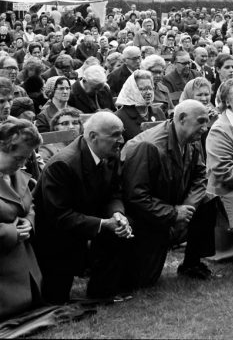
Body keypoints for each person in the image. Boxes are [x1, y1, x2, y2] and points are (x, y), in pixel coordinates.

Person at [33, 112, 132, 303]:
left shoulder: (110, 153)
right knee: (54, 299)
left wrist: (117, 215)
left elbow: (114, 193)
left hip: (85, 220)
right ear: (93, 136)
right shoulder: (63, 164)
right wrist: (103, 223)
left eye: (122, 133)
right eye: (115, 134)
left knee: (121, 228)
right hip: (55, 237)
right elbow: (59, 216)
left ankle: (103, 291)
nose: (121, 140)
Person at [121, 100, 215, 285]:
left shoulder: (191, 140)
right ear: (181, 119)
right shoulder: (149, 146)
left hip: (171, 204)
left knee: (208, 201)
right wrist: (173, 214)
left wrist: (188, 207)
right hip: (145, 216)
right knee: (144, 281)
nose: (205, 127)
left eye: (207, 122)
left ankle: (192, 264)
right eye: (201, 121)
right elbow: (135, 197)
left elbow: (200, 176)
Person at [0, 120, 43, 319]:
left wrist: (29, 221)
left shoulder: (16, 174)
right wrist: (11, 232)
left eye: (26, 159)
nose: (23, 164)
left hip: (23, 267)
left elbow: (28, 204)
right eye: (18, 158)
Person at [114, 70, 166, 141]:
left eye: (150, 88)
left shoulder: (158, 112)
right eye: (142, 89)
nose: (148, 92)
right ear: (132, 90)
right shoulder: (119, 117)